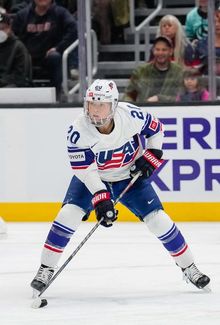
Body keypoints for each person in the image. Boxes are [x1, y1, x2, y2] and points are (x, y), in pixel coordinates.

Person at [31, 79, 210, 295]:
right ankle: (46, 267)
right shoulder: (78, 131)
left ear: (114, 105)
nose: (95, 111)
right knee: (67, 215)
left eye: (102, 105)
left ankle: (189, 267)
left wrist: (153, 154)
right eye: (91, 104)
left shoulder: (131, 115)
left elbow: (157, 130)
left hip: (129, 176)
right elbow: (86, 171)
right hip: (94, 178)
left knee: (159, 220)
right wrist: (101, 196)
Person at [12, 0, 78, 99]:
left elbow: (73, 30)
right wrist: (22, 51)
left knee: (55, 57)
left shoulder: (61, 13)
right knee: (17, 57)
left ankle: (56, 96)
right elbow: (14, 35)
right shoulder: (23, 15)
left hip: (49, 55)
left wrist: (58, 48)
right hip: (27, 57)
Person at [123, 36, 183, 103]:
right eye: (157, 49)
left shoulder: (179, 72)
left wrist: (159, 98)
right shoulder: (140, 71)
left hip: (170, 111)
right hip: (144, 111)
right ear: (153, 51)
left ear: (171, 52)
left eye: (164, 50)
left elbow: (182, 97)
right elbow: (129, 94)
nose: (160, 53)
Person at [0, 12, 31, 87]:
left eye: (3, 28)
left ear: (10, 28)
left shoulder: (18, 47)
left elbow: (20, 75)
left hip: (10, 86)